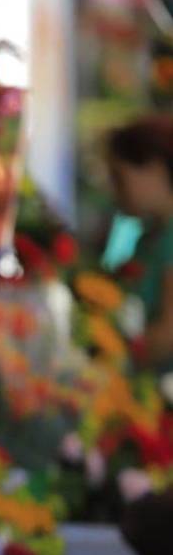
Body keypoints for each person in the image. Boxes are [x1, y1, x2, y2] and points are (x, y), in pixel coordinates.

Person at [106, 114, 173, 372]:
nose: (115, 191)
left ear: (154, 169)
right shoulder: (149, 237)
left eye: (119, 178)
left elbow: (168, 333)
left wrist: (113, 360)